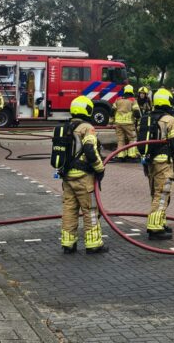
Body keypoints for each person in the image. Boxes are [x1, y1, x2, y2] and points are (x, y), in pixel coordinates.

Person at [138, 87, 174, 240]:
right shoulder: (170, 120)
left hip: (149, 162)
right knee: (162, 194)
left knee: (155, 193)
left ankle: (160, 222)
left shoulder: (147, 117)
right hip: (163, 163)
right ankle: (155, 228)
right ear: (167, 102)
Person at [59, 95, 107, 255]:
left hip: (66, 176)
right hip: (83, 177)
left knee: (69, 209)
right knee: (90, 210)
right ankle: (93, 244)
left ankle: (68, 244)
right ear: (87, 110)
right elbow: (90, 151)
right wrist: (100, 169)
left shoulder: (65, 127)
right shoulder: (87, 128)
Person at [113, 84, 140, 160]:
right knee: (132, 138)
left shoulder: (118, 99)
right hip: (129, 123)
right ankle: (131, 155)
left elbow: (112, 110)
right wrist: (137, 118)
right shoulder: (132, 100)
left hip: (118, 123)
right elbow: (137, 112)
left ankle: (121, 155)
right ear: (131, 91)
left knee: (120, 139)